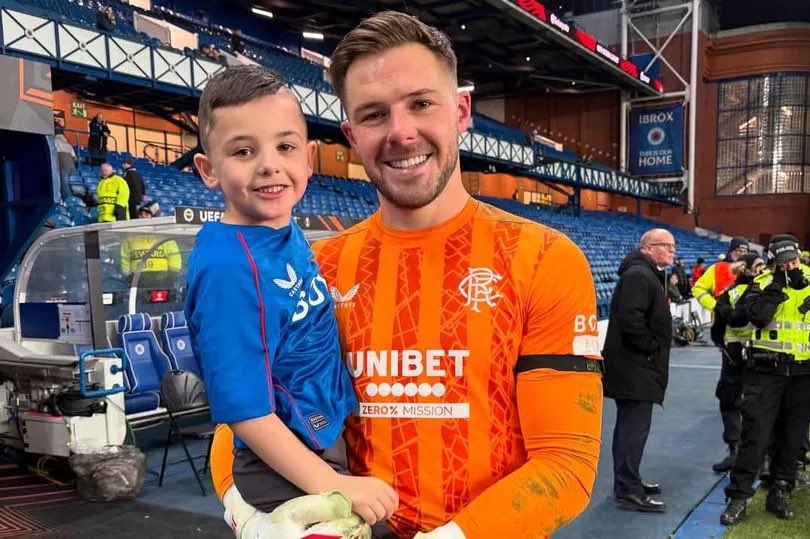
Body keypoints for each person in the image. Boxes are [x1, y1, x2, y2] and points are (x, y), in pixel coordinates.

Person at [211, 11, 604, 539]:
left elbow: (566, 465)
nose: (401, 133)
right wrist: (249, 515)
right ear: (350, 134)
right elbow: (242, 420)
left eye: (421, 103)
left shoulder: (544, 258)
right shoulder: (311, 270)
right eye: (374, 115)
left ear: (461, 110)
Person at [186, 65, 396, 534]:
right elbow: (245, 412)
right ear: (208, 170)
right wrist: (332, 485)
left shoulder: (283, 230)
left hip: (319, 440)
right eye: (243, 151)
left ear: (309, 157)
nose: (269, 164)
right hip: (286, 468)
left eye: (285, 147)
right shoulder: (228, 267)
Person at [721, 240, 810, 525]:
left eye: (793, 262)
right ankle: (739, 497)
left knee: (792, 437)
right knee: (755, 435)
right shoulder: (760, 283)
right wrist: (778, 289)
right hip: (765, 369)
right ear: (773, 263)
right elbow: (756, 318)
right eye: (784, 264)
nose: (790, 267)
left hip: (802, 373)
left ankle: (780, 490)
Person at [602, 229, 674, 513]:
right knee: (632, 430)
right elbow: (631, 320)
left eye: (673, 246)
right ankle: (628, 489)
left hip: (636, 368)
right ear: (648, 248)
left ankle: (628, 482)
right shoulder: (639, 276)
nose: (672, 251)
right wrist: (652, 348)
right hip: (636, 369)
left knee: (631, 429)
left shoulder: (644, 274)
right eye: (666, 246)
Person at [692, 236, 749, 471]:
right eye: (738, 249)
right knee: (729, 396)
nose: (740, 252)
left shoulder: (758, 269)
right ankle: (735, 449)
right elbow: (698, 289)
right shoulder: (717, 270)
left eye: (744, 249)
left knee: (755, 399)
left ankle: (756, 452)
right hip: (728, 341)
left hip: (755, 344)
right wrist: (715, 306)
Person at [709, 253, 766, 473]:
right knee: (759, 404)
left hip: (733, 354)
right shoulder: (766, 292)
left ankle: (734, 451)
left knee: (729, 401)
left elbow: (717, 329)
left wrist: (722, 346)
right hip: (763, 353)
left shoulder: (728, 294)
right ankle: (759, 456)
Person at [120, 202, 181, 289]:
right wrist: (129, 276)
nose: (143, 217)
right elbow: (125, 259)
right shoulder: (130, 238)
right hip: (138, 282)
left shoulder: (165, 238)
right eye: (141, 214)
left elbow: (174, 257)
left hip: (162, 281)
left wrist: (171, 276)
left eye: (146, 214)